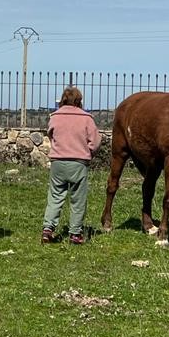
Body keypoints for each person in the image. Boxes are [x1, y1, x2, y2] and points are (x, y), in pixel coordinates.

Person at [41, 86, 101, 245]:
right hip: (78, 162)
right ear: (79, 101)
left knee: (55, 196)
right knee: (78, 200)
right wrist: (87, 152)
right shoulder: (87, 118)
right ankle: (75, 233)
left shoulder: (55, 116)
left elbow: (51, 135)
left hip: (58, 162)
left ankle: (48, 229)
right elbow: (95, 143)